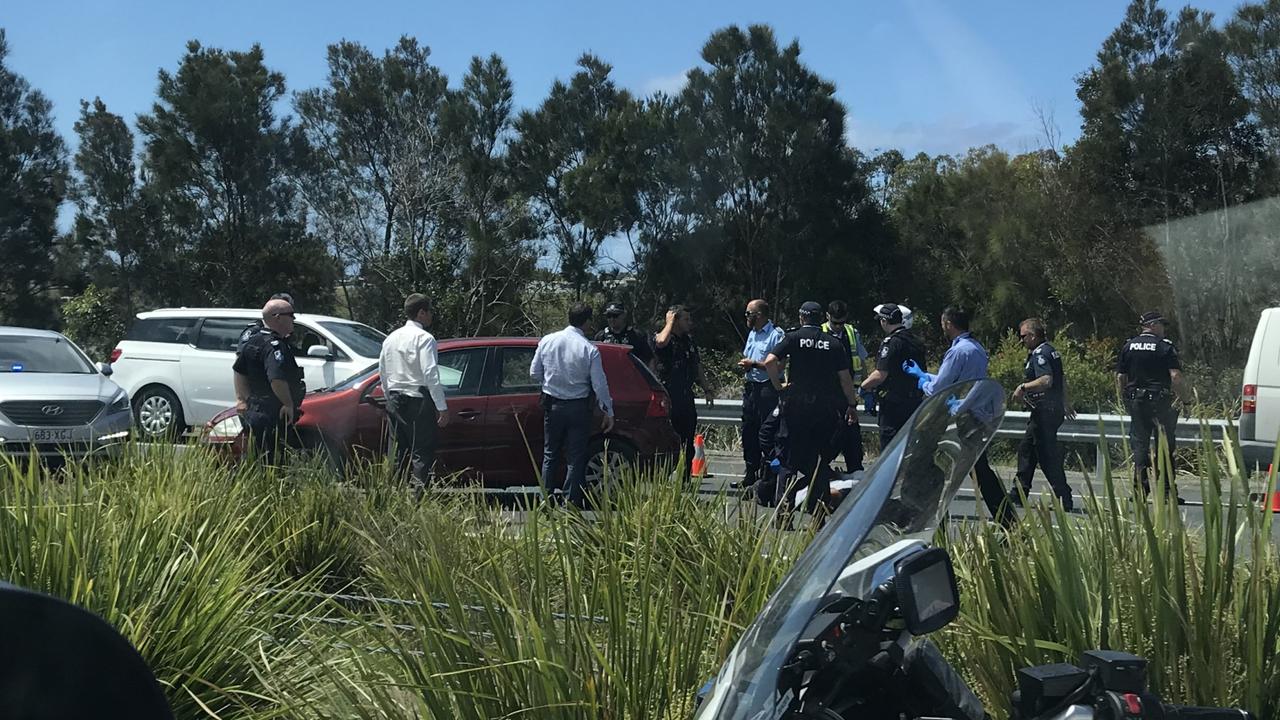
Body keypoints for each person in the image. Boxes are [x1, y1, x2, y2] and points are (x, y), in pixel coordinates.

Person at [903, 307, 1016, 527]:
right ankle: (1008, 521)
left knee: (931, 467)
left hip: (954, 417)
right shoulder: (976, 348)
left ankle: (928, 522)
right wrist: (926, 375)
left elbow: (940, 387)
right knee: (980, 472)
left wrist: (922, 380)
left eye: (942, 323)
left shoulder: (956, 352)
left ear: (948, 324)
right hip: (972, 414)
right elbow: (959, 380)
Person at [759, 301, 862, 515]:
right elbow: (845, 380)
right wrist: (851, 405)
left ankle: (783, 514)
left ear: (801, 317)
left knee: (788, 461)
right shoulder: (833, 343)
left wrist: (780, 388)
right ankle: (819, 514)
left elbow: (770, 361)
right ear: (821, 317)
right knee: (820, 462)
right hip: (823, 410)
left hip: (795, 407)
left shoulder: (793, 338)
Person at [531, 303, 615, 508]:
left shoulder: (547, 341)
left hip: (553, 404)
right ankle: (570, 501)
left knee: (550, 454)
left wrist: (549, 384)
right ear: (586, 322)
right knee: (575, 457)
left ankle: (545, 498)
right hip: (578, 406)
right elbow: (599, 384)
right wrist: (608, 411)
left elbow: (534, 373)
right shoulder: (589, 348)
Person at [379, 294, 451, 490]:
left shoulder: (390, 338)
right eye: (430, 312)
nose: (431, 316)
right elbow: (430, 374)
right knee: (421, 452)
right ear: (421, 312)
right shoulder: (425, 339)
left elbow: (383, 372)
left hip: (395, 398)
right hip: (418, 400)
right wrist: (441, 407)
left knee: (396, 451)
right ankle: (418, 499)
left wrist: (389, 397)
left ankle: (392, 495)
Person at [1116, 311, 1189, 501]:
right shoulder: (1164, 347)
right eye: (1162, 325)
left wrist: (1125, 399)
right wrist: (1186, 399)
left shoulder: (1128, 346)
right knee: (1164, 446)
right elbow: (1176, 377)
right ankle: (1166, 492)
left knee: (1140, 446)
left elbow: (1121, 377)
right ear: (1153, 325)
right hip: (1160, 402)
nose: (1164, 330)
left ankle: (1140, 491)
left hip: (1136, 402)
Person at [1008, 318, 1076, 510]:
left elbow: (1046, 380)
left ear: (1032, 335)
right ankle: (1018, 493)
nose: (1021, 341)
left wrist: (1023, 387)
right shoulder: (1050, 351)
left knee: (1047, 456)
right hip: (1045, 411)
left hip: (1046, 411)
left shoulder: (1040, 354)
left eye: (1023, 336)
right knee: (1026, 450)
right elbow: (1061, 380)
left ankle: (1063, 496)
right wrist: (1065, 402)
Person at [232, 297, 306, 465]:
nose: (293, 319)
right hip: (272, 412)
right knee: (272, 460)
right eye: (290, 315)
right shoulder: (274, 346)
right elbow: (276, 378)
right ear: (277, 317)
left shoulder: (254, 341)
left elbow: (239, 371)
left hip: (255, 410)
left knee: (256, 458)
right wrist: (287, 403)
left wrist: (241, 399)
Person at [654, 305, 715, 474]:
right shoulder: (664, 338)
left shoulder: (688, 341)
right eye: (685, 319)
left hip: (686, 397)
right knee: (667, 440)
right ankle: (664, 477)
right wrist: (669, 322)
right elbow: (660, 342)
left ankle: (686, 478)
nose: (690, 323)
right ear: (675, 320)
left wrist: (707, 389)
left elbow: (697, 366)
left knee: (688, 439)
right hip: (668, 397)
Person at [860, 303, 926, 449]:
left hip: (894, 406)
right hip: (915, 401)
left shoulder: (892, 342)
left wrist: (864, 387)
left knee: (890, 449)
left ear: (884, 321)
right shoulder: (915, 340)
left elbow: (880, 374)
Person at [736, 299, 785, 490]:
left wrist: (754, 364)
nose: (746, 317)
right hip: (751, 388)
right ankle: (750, 473)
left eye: (749, 314)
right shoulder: (752, 334)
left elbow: (779, 365)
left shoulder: (776, 335)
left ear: (759, 315)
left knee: (767, 433)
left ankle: (767, 478)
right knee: (749, 430)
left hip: (767, 389)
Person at [822, 300, 868, 473]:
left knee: (852, 441)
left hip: (847, 395)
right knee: (827, 442)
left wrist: (866, 386)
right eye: (835, 323)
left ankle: (855, 474)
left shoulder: (852, 332)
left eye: (841, 322)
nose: (838, 326)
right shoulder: (821, 333)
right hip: (826, 396)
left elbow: (861, 360)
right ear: (827, 317)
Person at [595, 301, 655, 369]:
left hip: (631, 376)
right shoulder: (600, 336)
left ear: (623, 315)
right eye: (609, 316)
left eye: (615, 315)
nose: (612, 319)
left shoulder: (636, 335)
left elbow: (650, 359)